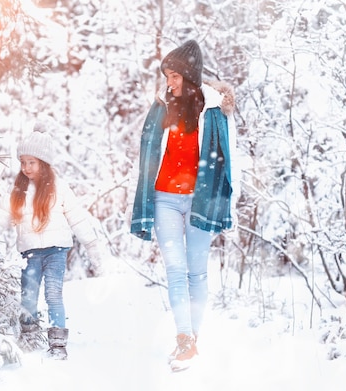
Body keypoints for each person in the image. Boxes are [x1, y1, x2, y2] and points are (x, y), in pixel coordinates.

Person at [130, 39, 238, 372]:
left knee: (197, 273)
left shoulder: (215, 112)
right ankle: (184, 340)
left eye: (175, 75)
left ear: (189, 76)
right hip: (163, 198)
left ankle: (193, 337)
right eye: (167, 75)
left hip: (200, 200)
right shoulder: (162, 107)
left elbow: (231, 159)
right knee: (175, 270)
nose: (169, 82)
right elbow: (147, 153)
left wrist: (228, 202)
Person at [0, 124, 104, 360]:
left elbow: (77, 217)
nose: (26, 168)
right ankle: (30, 335)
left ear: (43, 163)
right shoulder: (17, 191)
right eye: (22, 162)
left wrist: (92, 245)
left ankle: (57, 344)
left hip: (56, 250)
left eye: (31, 162)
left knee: (53, 294)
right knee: (29, 294)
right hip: (30, 252)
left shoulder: (59, 188)